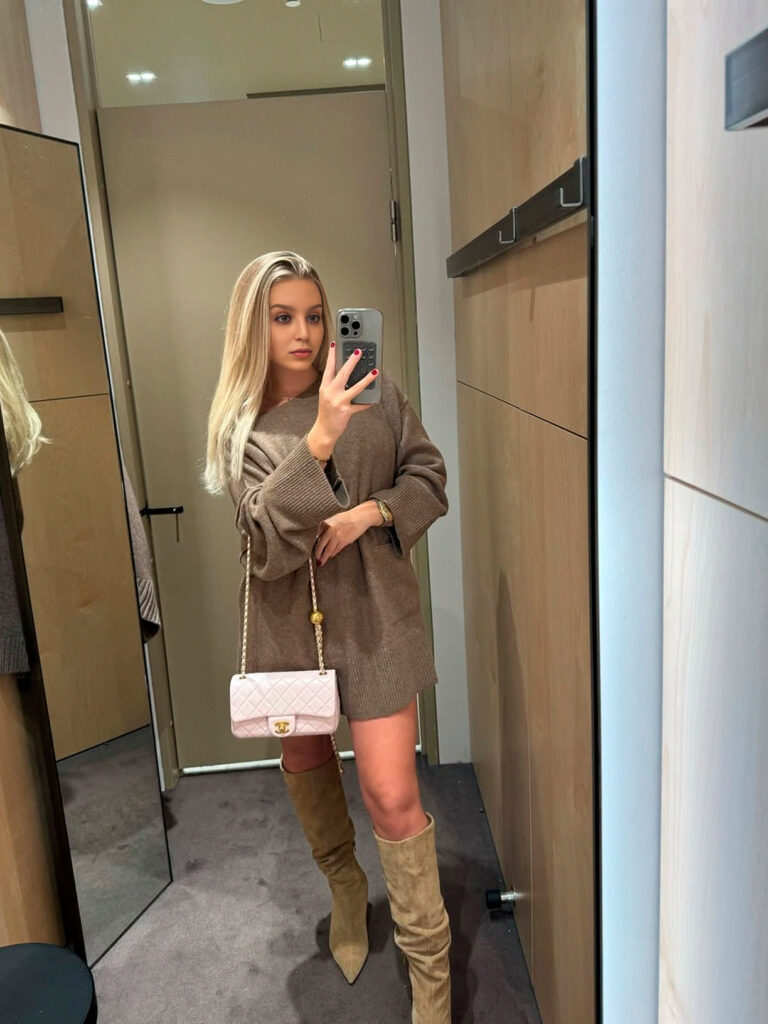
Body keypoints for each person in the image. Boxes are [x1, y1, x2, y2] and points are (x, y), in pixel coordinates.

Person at [203, 251, 451, 1022]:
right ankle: (346, 887)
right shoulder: (242, 429)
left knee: (392, 793)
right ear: (254, 327)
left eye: (314, 314)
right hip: (291, 625)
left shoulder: (374, 394)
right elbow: (262, 539)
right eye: (282, 317)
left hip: (376, 615)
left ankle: (432, 980)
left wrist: (370, 513)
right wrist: (317, 440)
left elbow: (427, 476)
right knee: (307, 762)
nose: (304, 332)